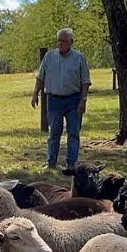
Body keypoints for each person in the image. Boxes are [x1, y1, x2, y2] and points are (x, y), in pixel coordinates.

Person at [31, 28, 91, 171]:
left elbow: (85, 81)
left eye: (64, 41)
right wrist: (35, 94)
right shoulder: (49, 57)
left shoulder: (79, 58)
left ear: (71, 42)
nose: (60, 44)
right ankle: (51, 162)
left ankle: (71, 163)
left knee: (73, 133)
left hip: (74, 99)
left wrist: (83, 100)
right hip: (54, 100)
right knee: (54, 133)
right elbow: (40, 77)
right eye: (59, 41)